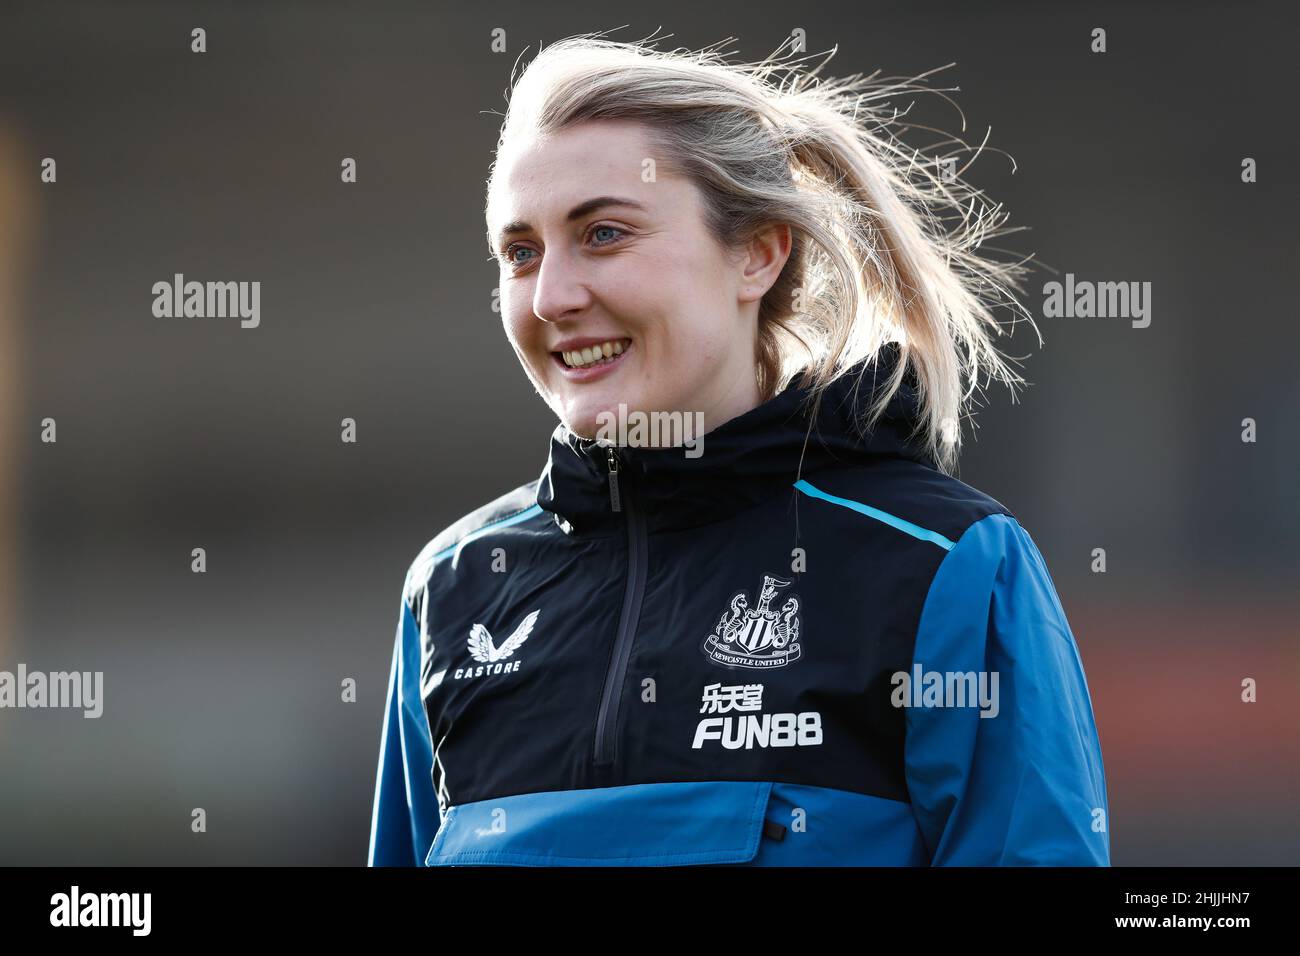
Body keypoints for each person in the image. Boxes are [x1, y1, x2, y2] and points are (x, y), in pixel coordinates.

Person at [368, 33, 1109, 866]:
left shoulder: (943, 563)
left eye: (605, 234)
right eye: (520, 254)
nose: (553, 296)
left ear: (756, 254)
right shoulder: (455, 588)